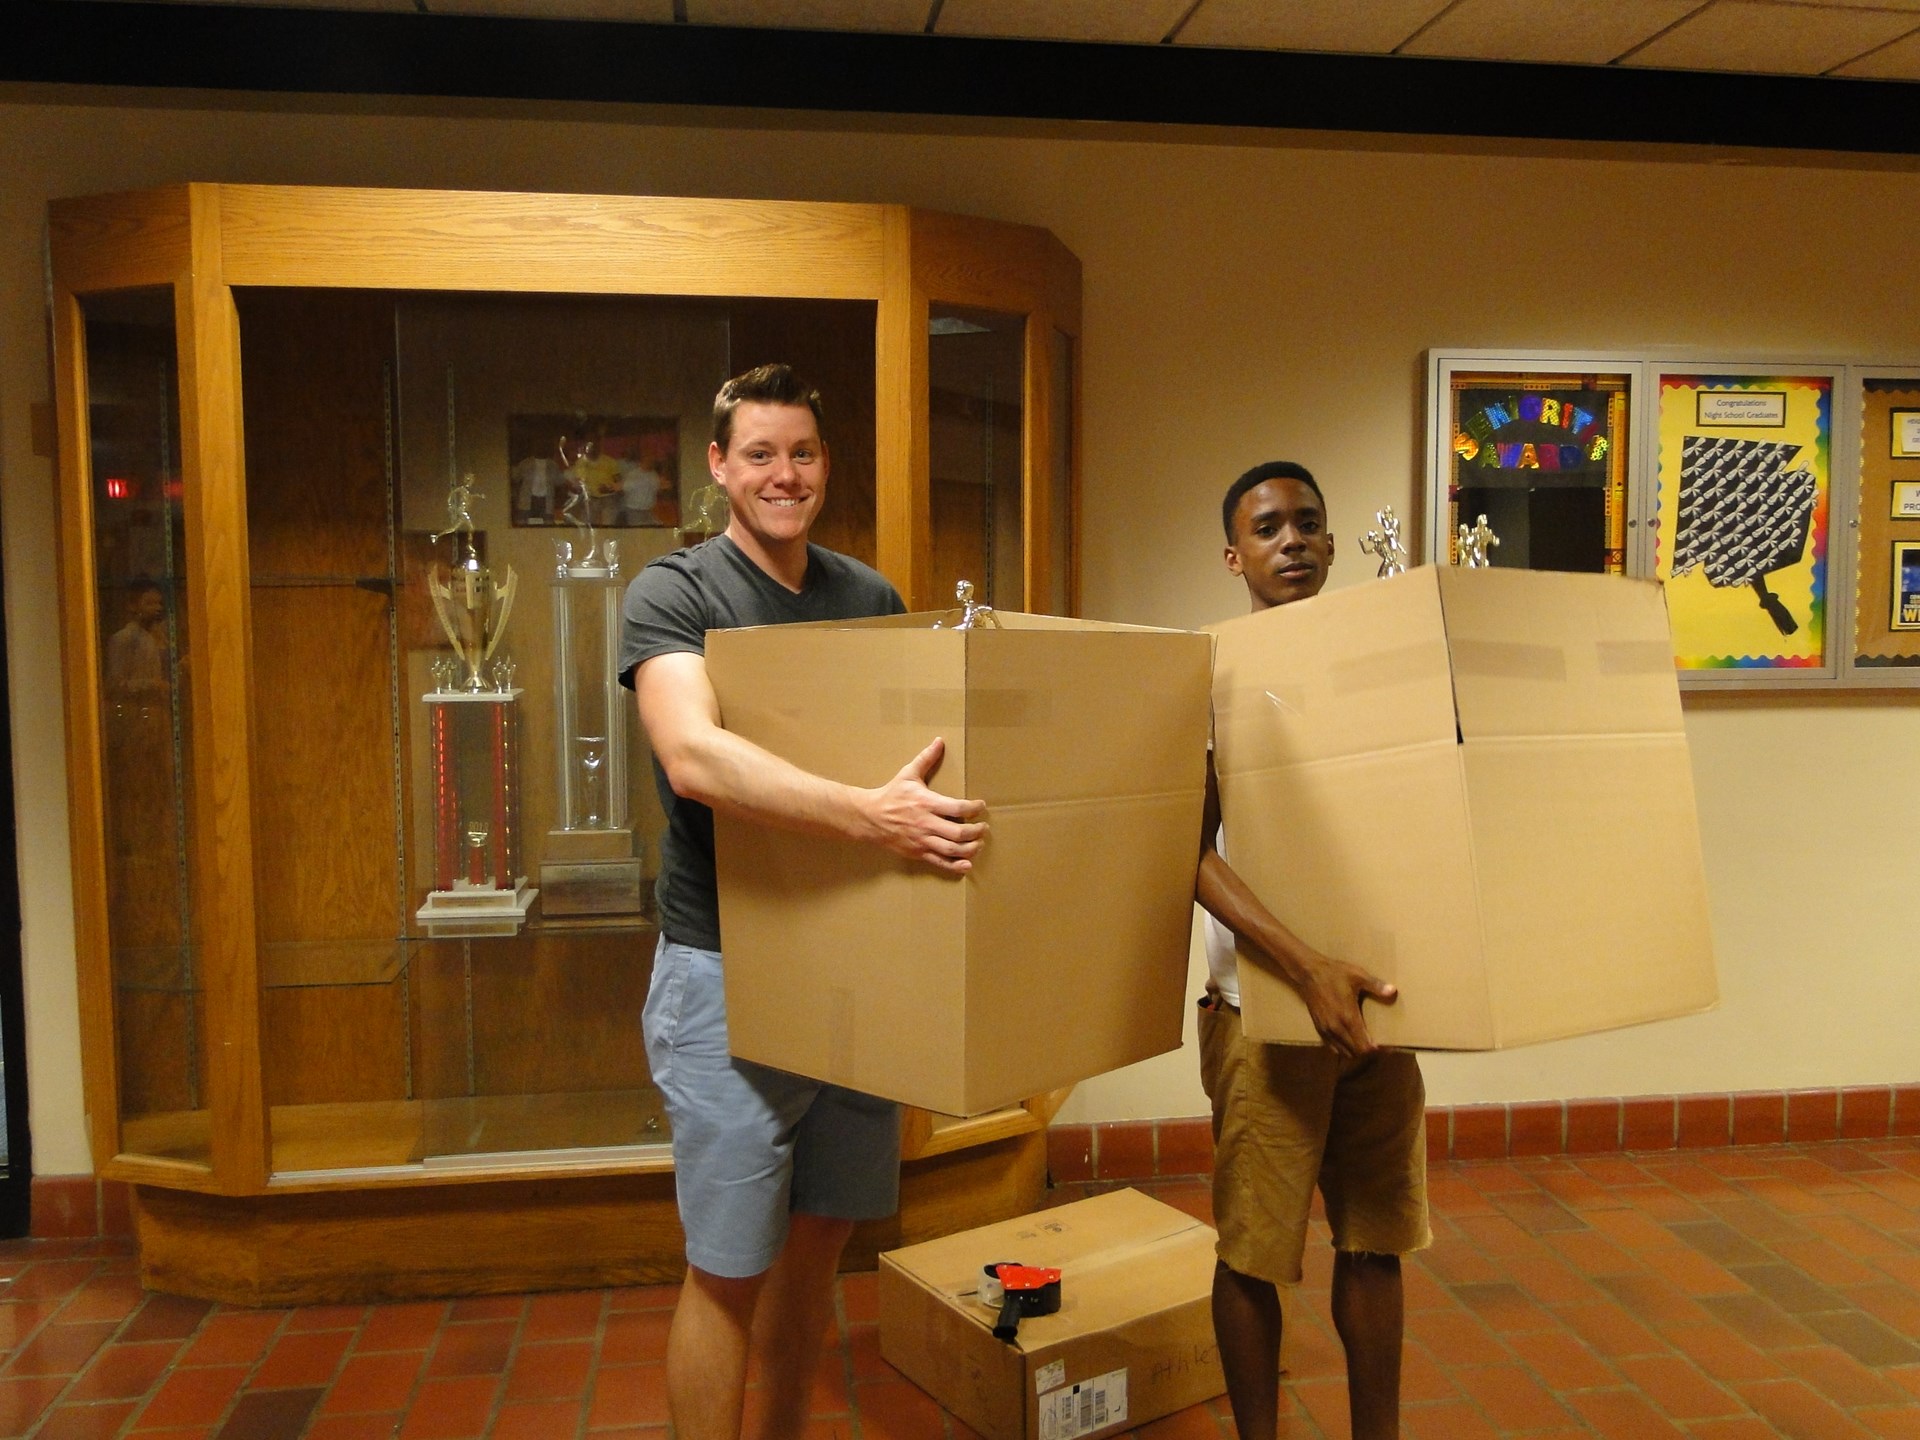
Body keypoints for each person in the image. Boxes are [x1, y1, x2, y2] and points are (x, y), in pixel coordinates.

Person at [618, 364, 988, 1440]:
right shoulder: (676, 594)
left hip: (855, 972)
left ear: (827, 466)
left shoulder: (867, 599)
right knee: (728, 1269)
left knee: (819, 1250)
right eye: (764, 454)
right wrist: (871, 819)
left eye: (806, 453)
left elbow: (917, 768)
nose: (787, 474)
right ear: (721, 467)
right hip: (728, 973)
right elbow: (692, 756)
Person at [1194, 461, 1430, 1440]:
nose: (1291, 540)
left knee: (1375, 1243)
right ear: (1234, 554)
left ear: (1332, 544)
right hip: (1263, 1006)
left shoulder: (1385, 672)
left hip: (1381, 999)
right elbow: (1183, 850)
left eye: (1308, 524)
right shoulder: (1207, 677)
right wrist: (1302, 967)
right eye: (1268, 527)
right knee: (1254, 1250)